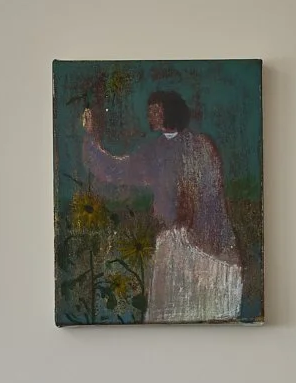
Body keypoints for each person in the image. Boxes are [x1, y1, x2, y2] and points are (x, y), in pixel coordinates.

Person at [80, 91, 243, 321]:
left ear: (170, 111)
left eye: (155, 110)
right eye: (150, 110)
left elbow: (208, 194)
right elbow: (115, 170)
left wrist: (188, 220)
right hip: (179, 242)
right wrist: (91, 138)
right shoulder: (156, 151)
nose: (150, 115)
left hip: (205, 249)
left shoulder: (199, 146)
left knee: (204, 312)